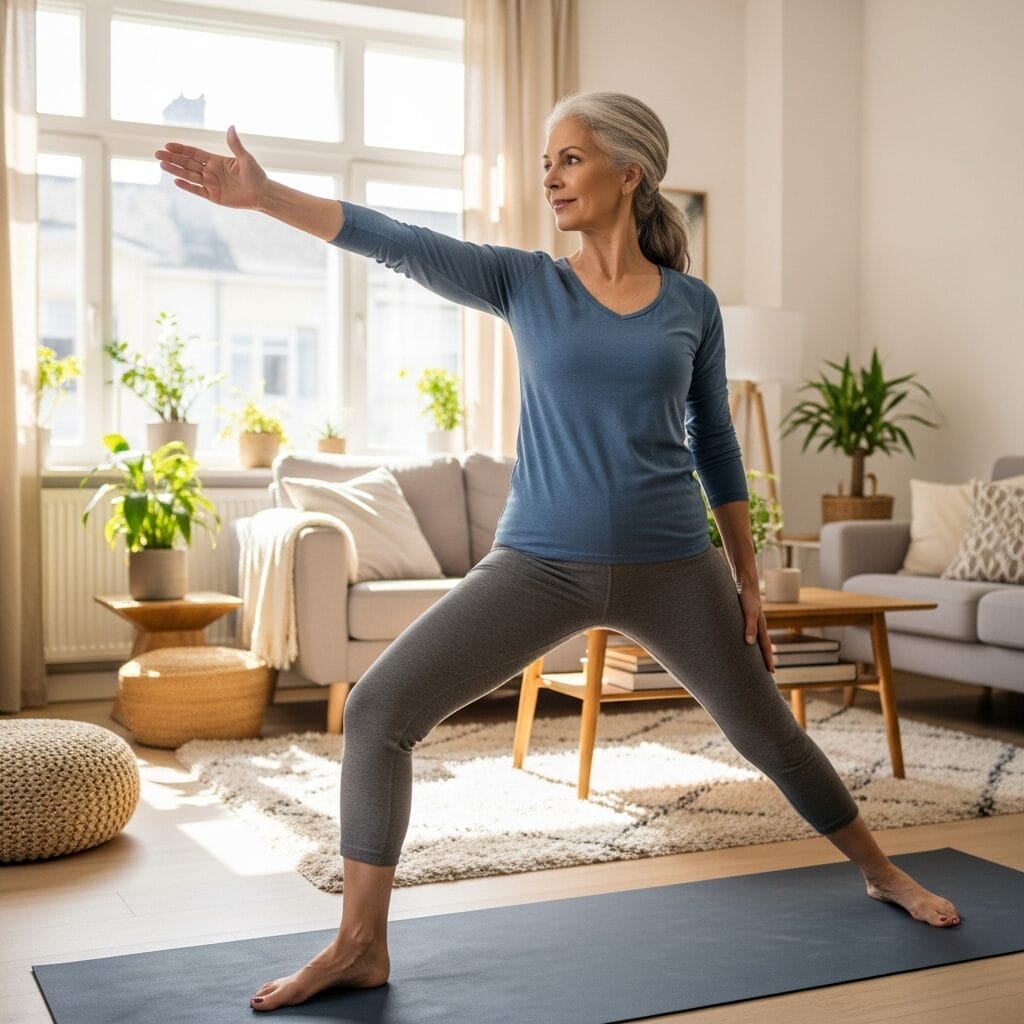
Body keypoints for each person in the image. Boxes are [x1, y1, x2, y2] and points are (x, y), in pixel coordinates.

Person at [156, 91, 960, 1013]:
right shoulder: (525, 282)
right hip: (537, 564)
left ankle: (882, 871)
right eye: (547, 163)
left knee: (767, 731)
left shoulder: (692, 305)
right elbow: (391, 237)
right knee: (379, 708)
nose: (551, 177)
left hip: (674, 564)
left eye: (570, 160)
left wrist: (744, 572)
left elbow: (715, 441)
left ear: (630, 173)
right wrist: (265, 197)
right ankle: (359, 943)